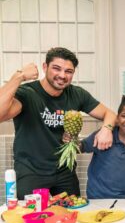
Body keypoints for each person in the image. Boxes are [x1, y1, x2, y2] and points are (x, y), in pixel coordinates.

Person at [0, 47, 117, 199]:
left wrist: (106, 129)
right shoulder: (28, 93)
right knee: (31, 217)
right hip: (31, 172)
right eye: (56, 68)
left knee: (71, 215)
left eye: (69, 71)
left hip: (64, 172)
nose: (62, 75)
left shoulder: (77, 94)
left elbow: (110, 114)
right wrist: (19, 76)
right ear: (45, 67)